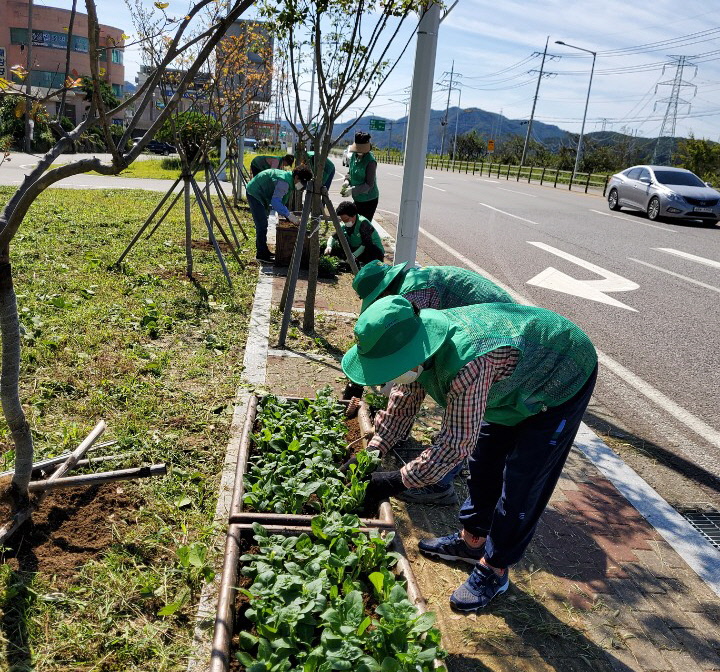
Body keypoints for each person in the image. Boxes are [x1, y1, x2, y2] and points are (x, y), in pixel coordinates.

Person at [341, 296, 597, 612]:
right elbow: (402, 408)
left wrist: (392, 481)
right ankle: (472, 541)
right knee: (484, 457)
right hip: (511, 377)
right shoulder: (417, 348)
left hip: (562, 372)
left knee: (523, 480)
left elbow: (453, 447)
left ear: (409, 355)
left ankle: (495, 569)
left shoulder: (467, 363)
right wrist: (371, 455)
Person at [350, 261, 516, 505]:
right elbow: (408, 390)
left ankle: (439, 483)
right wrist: (376, 447)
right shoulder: (410, 304)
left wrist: (397, 479)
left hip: (496, 333)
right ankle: (441, 467)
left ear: (381, 292)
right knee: (449, 407)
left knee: (463, 420)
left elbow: (458, 436)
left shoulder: (411, 299)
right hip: (482, 326)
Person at [246, 164, 313, 263]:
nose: (302, 185)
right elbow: (275, 202)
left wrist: (287, 214)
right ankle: (261, 255)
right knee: (262, 225)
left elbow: (281, 201)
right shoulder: (284, 182)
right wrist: (289, 215)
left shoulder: (289, 180)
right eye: (301, 182)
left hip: (262, 193)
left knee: (264, 224)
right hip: (255, 192)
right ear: (296, 177)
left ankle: (264, 251)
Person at [324, 201, 385, 268]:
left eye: (346, 219)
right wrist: (329, 246)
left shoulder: (363, 223)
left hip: (374, 253)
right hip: (357, 251)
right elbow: (333, 237)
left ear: (353, 215)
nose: (345, 222)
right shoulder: (344, 225)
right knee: (341, 236)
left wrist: (353, 256)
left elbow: (365, 244)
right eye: (343, 220)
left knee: (370, 247)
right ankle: (353, 262)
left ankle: (364, 264)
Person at [341, 131, 379, 222]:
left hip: (368, 200)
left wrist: (352, 190)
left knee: (363, 225)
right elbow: (350, 172)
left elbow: (369, 185)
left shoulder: (370, 162)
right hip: (357, 198)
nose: (359, 152)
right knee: (354, 222)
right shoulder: (354, 155)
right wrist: (347, 180)